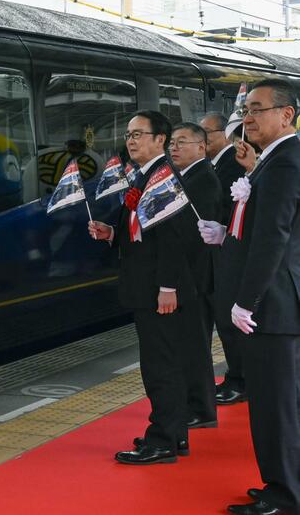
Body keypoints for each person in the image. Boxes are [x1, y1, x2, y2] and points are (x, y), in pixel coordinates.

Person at [198, 79, 300, 515]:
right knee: (275, 401)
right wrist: (225, 235)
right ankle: (282, 484)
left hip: (272, 306)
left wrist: (248, 299)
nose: (249, 119)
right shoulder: (273, 160)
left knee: (276, 405)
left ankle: (286, 495)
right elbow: (259, 227)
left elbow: (274, 237)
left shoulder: (284, 163)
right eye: (247, 111)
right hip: (273, 303)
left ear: (286, 114)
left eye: (258, 109)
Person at [88, 110, 194, 464]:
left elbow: (174, 239)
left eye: (138, 134)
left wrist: (167, 286)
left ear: (159, 139)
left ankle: (162, 440)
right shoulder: (144, 175)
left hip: (157, 291)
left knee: (160, 365)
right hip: (146, 286)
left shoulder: (164, 178)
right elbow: (145, 233)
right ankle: (173, 434)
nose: (131, 140)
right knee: (163, 362)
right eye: (129, 134)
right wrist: (113, 233)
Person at [168, 122, 220, 429]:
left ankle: (201, 408)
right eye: (172, 142)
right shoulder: (187, 177)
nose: (174, 147)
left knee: (195, 345)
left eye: (182, 142)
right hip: (191, 277)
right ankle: (194, 403)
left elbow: (191, 236)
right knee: (188, 343)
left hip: (196, 277)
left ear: (201, 147)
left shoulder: (202, 181)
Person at [199, 112, 251, 404]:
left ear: (225, 134)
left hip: (228, 254)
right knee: (223, 319)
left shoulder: (233, 163)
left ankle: (240, 380)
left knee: (229, 320)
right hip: (217, 252)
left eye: (208, 134)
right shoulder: (217, 164)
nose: (203, 140)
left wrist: (219, 228)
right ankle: (237, 376)